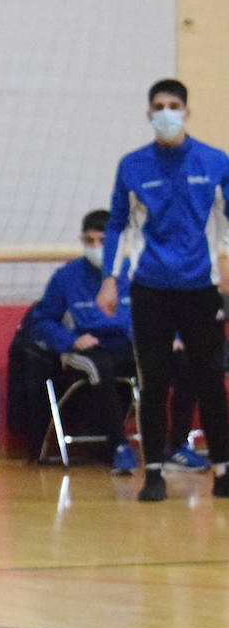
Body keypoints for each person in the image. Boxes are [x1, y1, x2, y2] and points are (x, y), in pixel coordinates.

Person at [96, 78, 229, 501]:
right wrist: (109, 279)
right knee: (152, 380)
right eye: (159, 106)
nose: (167, 112)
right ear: (149, 114)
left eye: (174, 105)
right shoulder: (132, 165)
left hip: (201, 289)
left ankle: (223, 468)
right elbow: (116, 223)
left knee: (210, 379)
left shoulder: (216, 161)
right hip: (150, 288)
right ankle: (153, 471)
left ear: (186, 112)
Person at [26, 209, 138, 473]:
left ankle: (175, 447)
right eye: (89, 241)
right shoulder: (67, 276)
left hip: (124, 345)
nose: (95, 247)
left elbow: (155, 314)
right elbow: (41, 321)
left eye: (102, 241)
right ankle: (120, 446)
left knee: (171, 360)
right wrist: (71, 340)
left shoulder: (131, 273)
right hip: (83, 349)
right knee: (99, 366)